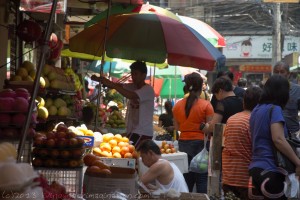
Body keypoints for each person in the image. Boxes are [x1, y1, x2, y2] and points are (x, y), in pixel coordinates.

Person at [248, 74, 300, 199]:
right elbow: (278, 139)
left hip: (255, 170)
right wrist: (298, 162)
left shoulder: (256, 109)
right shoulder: (275, 109)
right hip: (271, 170)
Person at [91, 61, 155, 147]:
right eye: (132, 74)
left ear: (143, 75)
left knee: (131, 155)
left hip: (142, 132)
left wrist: (112, 85)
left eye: (136, 74)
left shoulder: (148, 89)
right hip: (134, 131)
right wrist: (102, 80)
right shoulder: (133, 86)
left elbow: (130, 95)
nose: (133, 76)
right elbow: (117, 86)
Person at [172, 72, 214, 193]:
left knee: (186, 178)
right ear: (201, 87)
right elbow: (209, 128)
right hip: (201, 146)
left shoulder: (177, 106)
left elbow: (177, 127)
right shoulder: (206, 105)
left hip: (183, 144)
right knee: (201, 179)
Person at [222, 86, 262, 199]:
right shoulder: (254, 120)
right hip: (246, 179)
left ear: (244, 102)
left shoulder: (231, 119)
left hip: (229, 176)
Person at [273, 61, 300, 138]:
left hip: (293, 135)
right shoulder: (268, 90)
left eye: (282, 72)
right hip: (273, 135)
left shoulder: (297, 90)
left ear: (288, 74)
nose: (279, 75)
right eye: (276, 72)